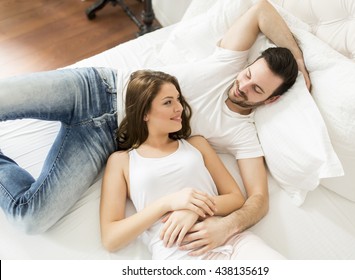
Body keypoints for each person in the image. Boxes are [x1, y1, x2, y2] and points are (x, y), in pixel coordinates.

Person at [0, 0, 310, 247]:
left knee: (32, 219)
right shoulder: (227, 64)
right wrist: (298, 60)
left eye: (257, 89)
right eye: (249, 75)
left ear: (271, 100)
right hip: (96, 88)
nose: (243, 85)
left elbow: (257, 199)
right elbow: (261, 9)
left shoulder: (243, 134)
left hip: (105, 141)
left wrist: (224, 225)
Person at [100, 69, 284, 259]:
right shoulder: (122, 161)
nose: (179, 107)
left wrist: (193, 210)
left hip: (229, 240)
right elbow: (111, 239)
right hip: (177, 254)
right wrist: (167, 203)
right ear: (144, 113)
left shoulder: (197, 144)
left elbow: (235, 198)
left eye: (178, 99)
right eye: (168, 102)